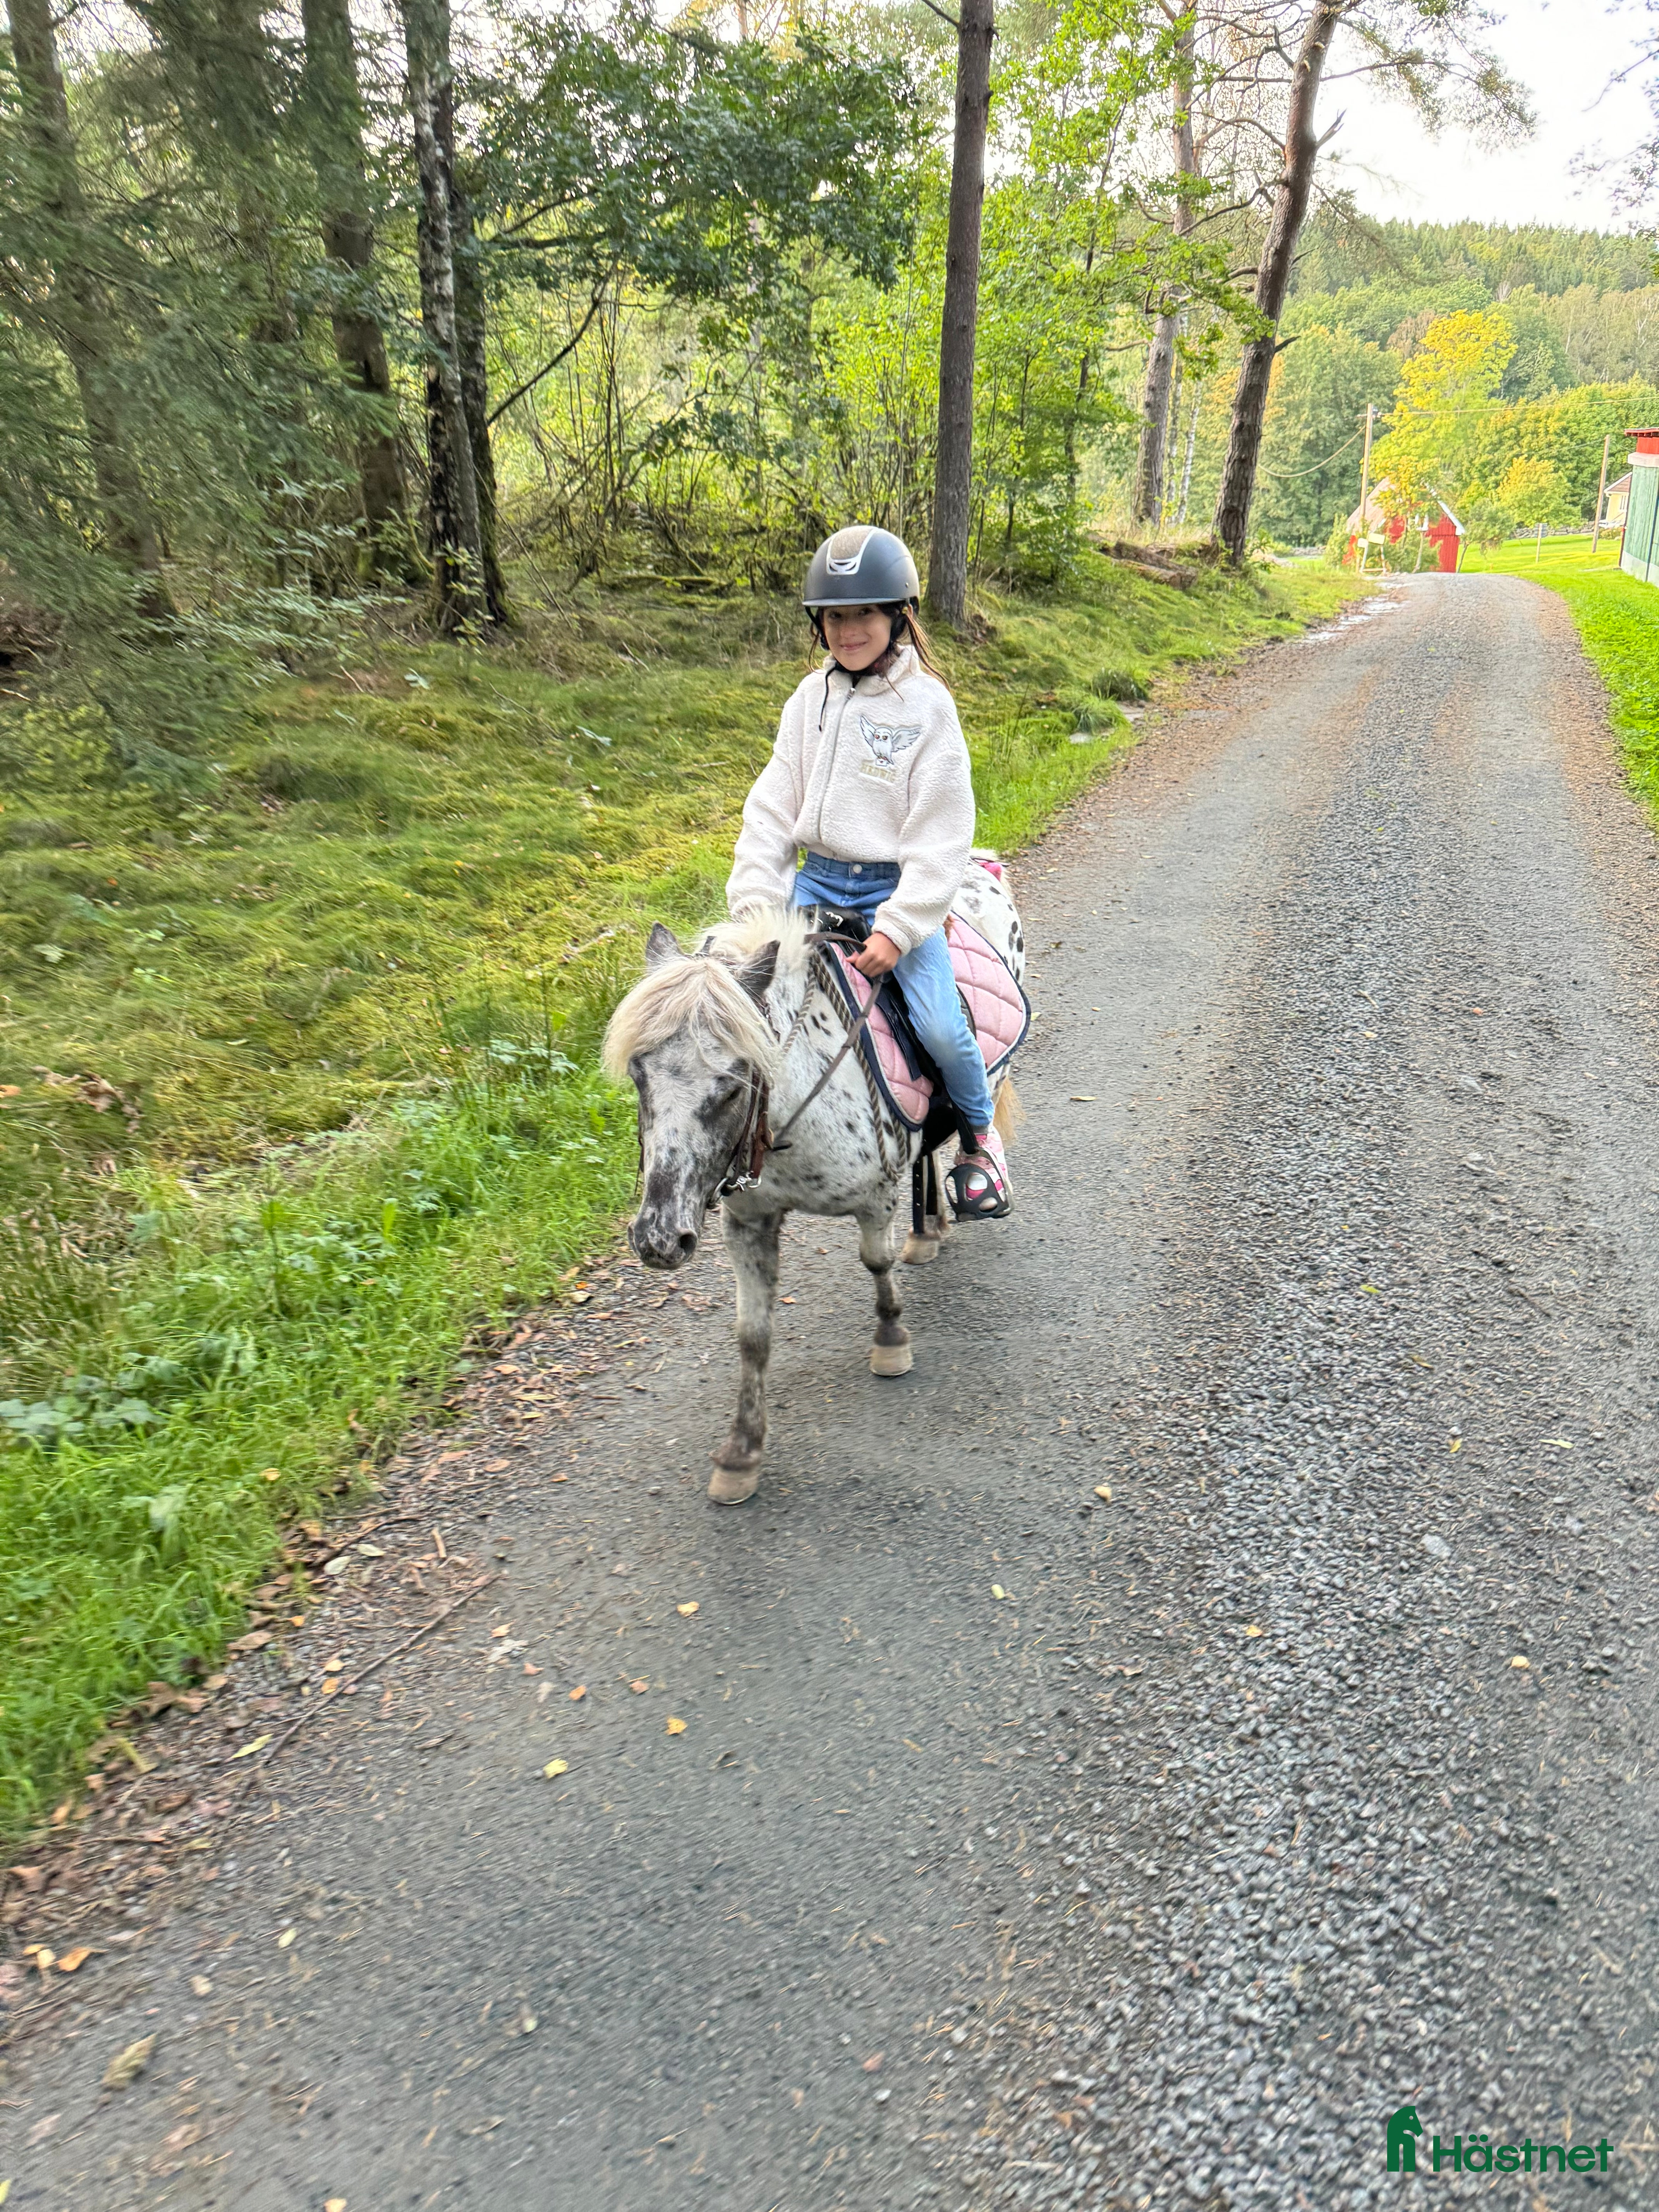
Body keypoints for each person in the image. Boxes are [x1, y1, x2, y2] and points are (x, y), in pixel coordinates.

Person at [726, 523, 1010, 1217]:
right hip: (816, 881)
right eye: (835, 616)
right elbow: (769, 811)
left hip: (893, 887)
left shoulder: (927, 709)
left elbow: (942, 837)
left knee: (941, 1025)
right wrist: (758, 906)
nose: (848, 629)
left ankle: (980, 1142)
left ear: (897, 617)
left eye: (864, 613)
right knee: (748, 1010)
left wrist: (903, 926)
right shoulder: (807, 702)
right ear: (819, 626)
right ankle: (731, 1141)